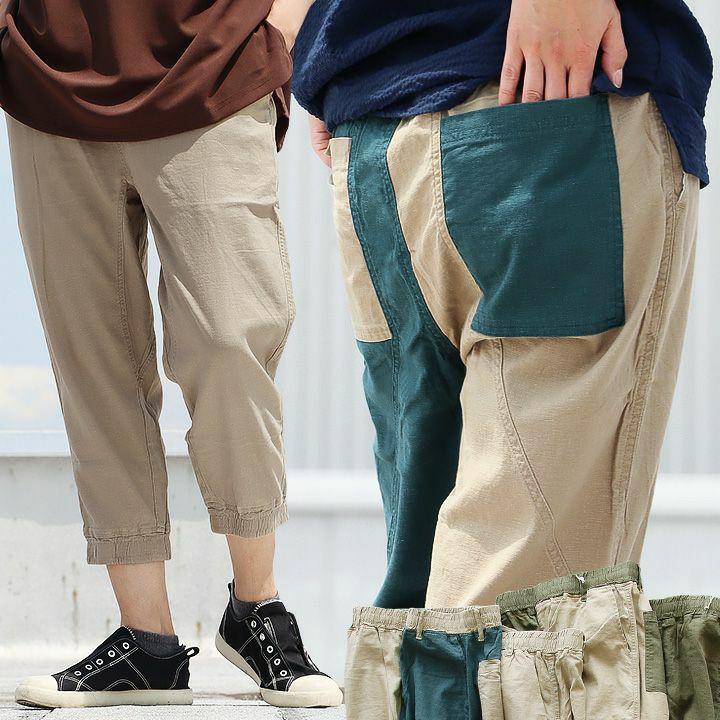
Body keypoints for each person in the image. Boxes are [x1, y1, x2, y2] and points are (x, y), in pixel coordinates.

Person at [293, 0, 712, 609]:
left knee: (423, 592)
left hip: (375, 136)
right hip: (544, 117)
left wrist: (320, 50)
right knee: (533, 612)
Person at [1, 0, 342, 709]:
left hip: (215, 68)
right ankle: (147, 642)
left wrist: (279, 26)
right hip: (46, 81)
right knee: (95, 366)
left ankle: (256, 607)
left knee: (229, 340)